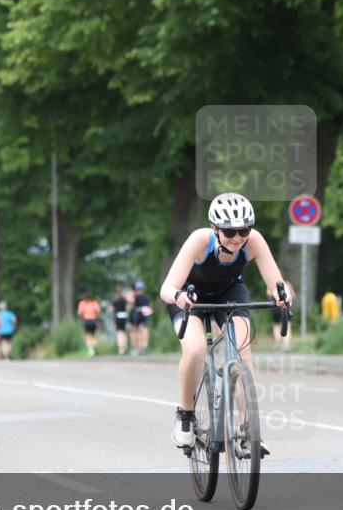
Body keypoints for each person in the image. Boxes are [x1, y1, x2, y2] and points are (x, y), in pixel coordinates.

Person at [160, 192, 294, 452]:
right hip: (189, 296)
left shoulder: (253, 241)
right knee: (196, 349)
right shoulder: (199, 240)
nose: (237, 238)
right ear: (215, 229)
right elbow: (167, 288)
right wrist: (179, 297)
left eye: (243, 231)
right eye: (229, 232)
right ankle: (185, 416)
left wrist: (283, 296)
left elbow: (276, 283)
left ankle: (247, 431)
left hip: (229, 291)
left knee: (243, 354)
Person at [130, 281, 153, 355]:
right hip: (144, 313)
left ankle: (138, 347)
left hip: (137, 314)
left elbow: (132, 306)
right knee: (145, 329)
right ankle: (145, 344)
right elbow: (150, 306)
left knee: (137, 331)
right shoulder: (147, 296)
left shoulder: (135, 297)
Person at [77, 291, 103, 357]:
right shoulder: (94, 303)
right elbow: (98, 311)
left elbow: (79, 313)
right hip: (93, 320)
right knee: (93, 335)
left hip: (86, 321)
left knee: (88, 335)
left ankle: (90, 349)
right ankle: (93, 348)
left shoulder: (82, 303)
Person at [109, 285, 130, 355]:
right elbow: (128, 308)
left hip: (118, 316)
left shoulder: (115, 300)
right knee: (124, 332)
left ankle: (121, 348)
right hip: (124, 316)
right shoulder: (125, 299)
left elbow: (111, 309)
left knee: (119, 333)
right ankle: (125, 347)